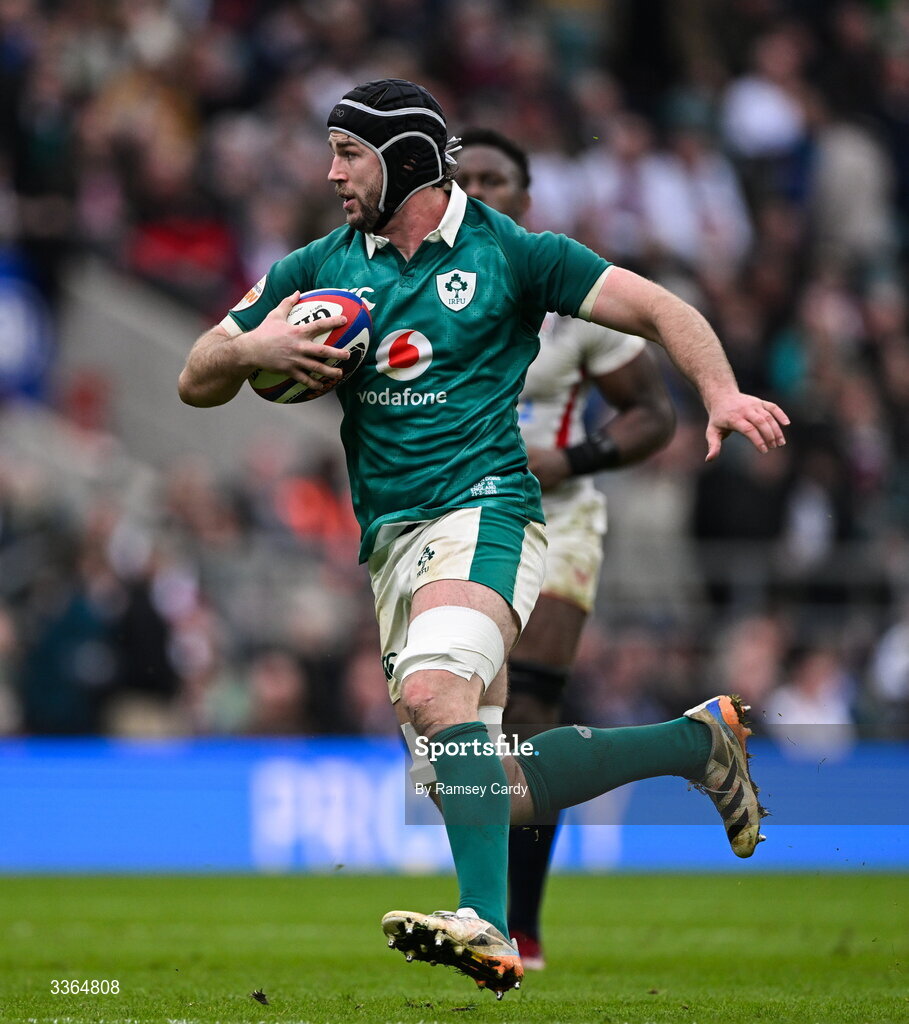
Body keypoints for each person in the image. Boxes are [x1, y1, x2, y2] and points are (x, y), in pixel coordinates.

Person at [178, 79, 788, 998]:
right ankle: (691, 744)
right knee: (479, 778)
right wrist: (250, 350)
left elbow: (664, 310)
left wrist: (721, 392)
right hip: (391, 539)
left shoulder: (513, 253)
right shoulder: (318, 264)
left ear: (405, 161)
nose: (331, 173)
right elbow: (195, 375)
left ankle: (488, 926)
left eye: (347, 153)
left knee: (435, 692)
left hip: (487, 509)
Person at [454, 127, 676, 970]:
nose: (479, 191)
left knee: (526, 707)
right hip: (455, 516)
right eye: (463, 178)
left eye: (495, 178)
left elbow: (653, 414)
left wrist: (572, 458)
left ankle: (520, 922)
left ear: (525, 197)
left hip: (557, 515)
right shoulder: (421, 285)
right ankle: (485, 901)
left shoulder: (568, 290)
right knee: (461, 715)